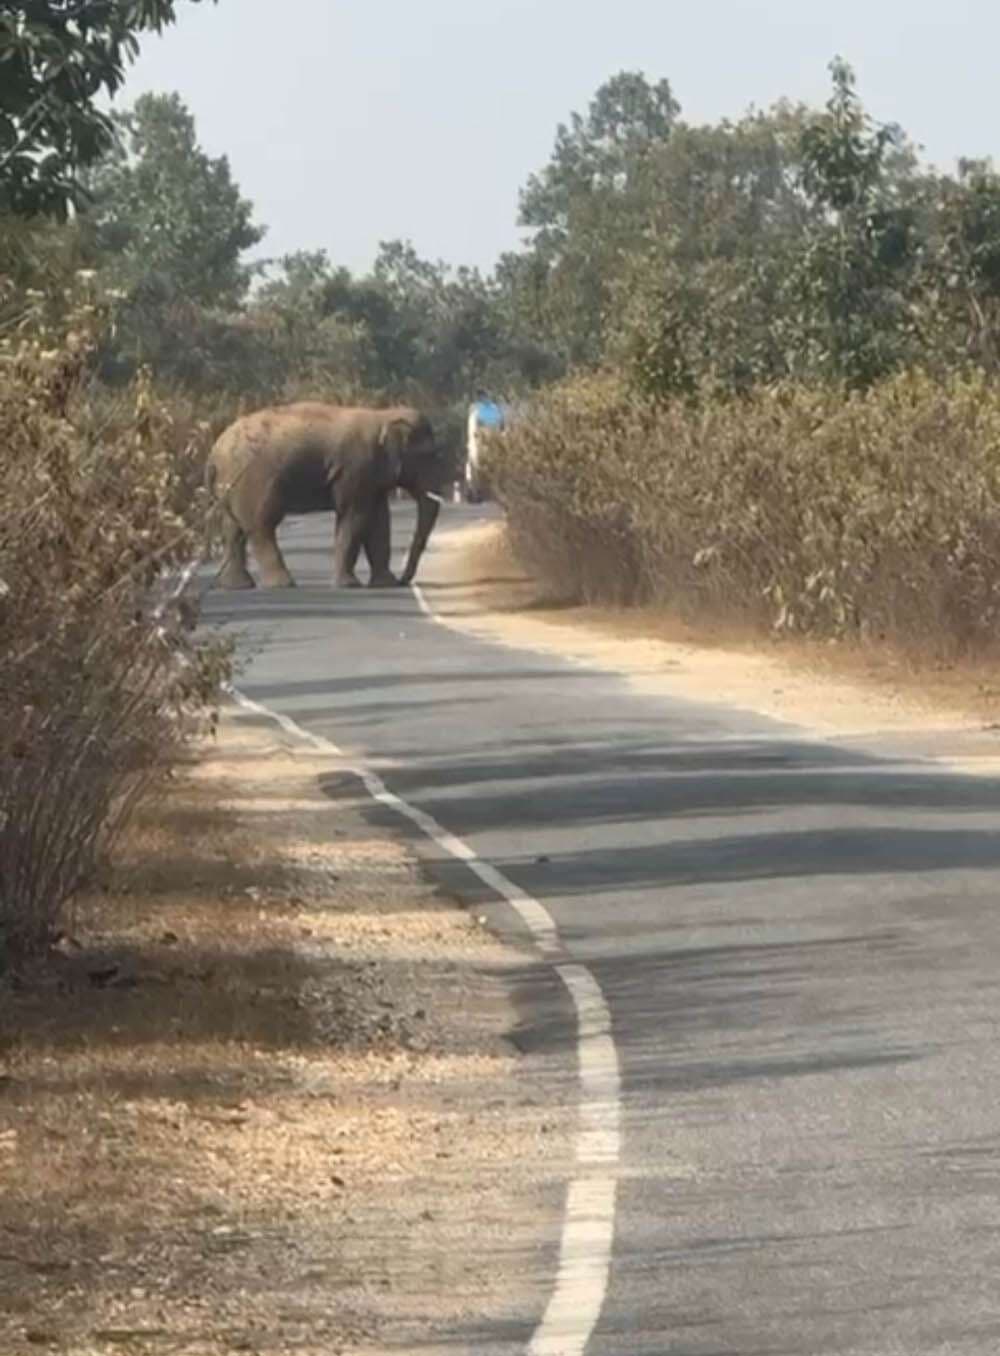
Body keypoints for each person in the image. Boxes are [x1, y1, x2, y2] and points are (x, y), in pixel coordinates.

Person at [464, 390, 504, 502]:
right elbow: (500, 425)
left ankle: (476, 492)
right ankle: (479, 492)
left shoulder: (475, 409)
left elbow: (474, 428)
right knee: (486, 469)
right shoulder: (493, 409)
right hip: (488, 442)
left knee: (475, 469)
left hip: (479, 443)